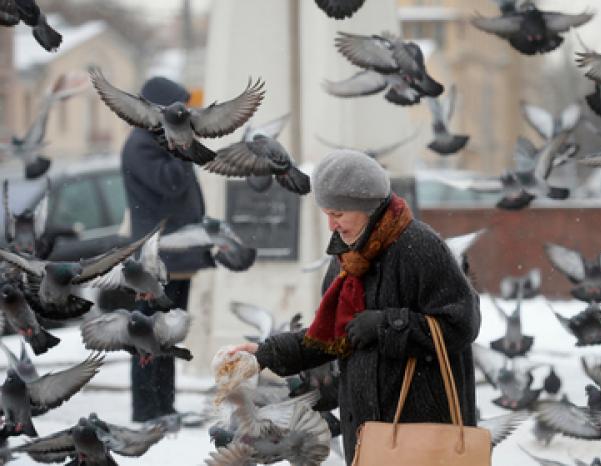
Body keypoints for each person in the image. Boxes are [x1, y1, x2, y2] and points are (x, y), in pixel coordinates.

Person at [230, 150, 481, 465]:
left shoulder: (419, 246)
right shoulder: (344, 260)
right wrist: (265, 354)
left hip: (424, 428)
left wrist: (385, 326)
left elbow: (461, 324)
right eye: (326, 213)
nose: (331, 225)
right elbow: (333, 335)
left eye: (338, 213)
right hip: (366, 432)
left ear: (368, 207)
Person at [120, 76, 214, 422]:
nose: (184, 114)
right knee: (149, 337)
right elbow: (172, 183)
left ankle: (165, 406)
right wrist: (183, 147)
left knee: (168, 335)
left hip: (176, 258)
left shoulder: (156, 140)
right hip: (157, 263)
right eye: (178, 107)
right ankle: (147, 410)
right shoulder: (140, 145)